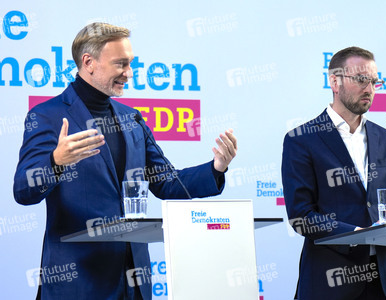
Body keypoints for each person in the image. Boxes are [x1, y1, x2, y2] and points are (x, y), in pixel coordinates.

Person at [13, 23, 237, 299]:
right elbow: (23, 191)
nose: (128, 73)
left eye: (130, 64)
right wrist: (56, 161)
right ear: (89, 62)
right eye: (121, 64)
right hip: (79, 284)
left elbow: (166, 182)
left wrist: (216, 168)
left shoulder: (132, 119)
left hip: (135, 283)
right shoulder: (47, 115)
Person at [282, 46, 386, 300]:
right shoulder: (301, 140)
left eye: (375, 82)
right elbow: (301, 216)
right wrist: (357, 235)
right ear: (335, 81)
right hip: (328, 281)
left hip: (380, 284)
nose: (369, 89)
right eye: (362, 80)